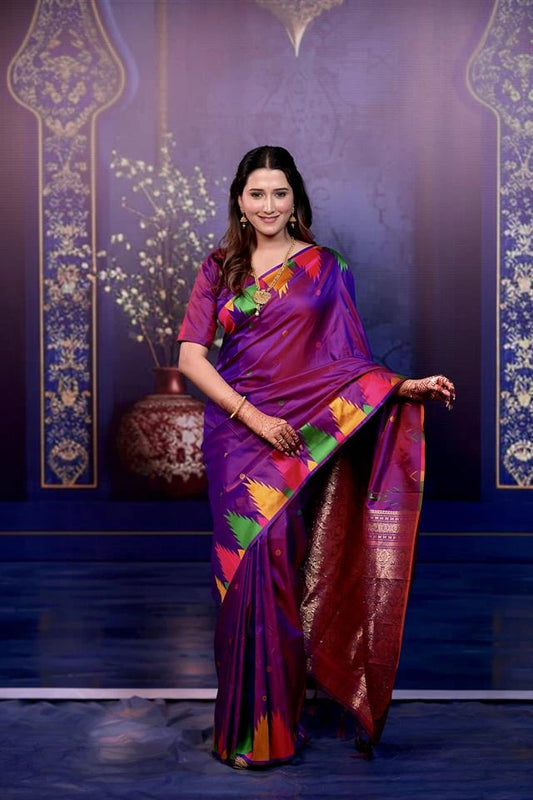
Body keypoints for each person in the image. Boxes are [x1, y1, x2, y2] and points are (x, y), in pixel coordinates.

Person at [178, 145, 455, 769]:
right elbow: (193, 356)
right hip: (237, 437)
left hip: (295, 440)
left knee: (277, 567)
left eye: (280, 193)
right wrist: (253, 418)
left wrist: (402, 388)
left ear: (295, 200)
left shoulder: (325, 267)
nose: (269, 205)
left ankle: (274, 726)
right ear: (240, 202)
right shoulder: (219, 266)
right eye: (257, 194)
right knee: (238, 577)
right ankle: (241, 729)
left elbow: (346, 360)